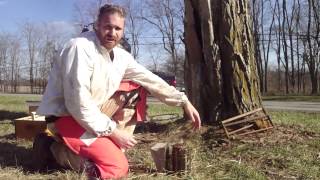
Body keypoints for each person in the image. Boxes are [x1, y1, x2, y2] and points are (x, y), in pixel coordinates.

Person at [36, 3, 201, 179]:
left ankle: (108, 148)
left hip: (93, 114)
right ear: (97, 25)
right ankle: (51, 150)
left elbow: (149, 78)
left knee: (134, 90)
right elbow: (77, 104)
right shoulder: (80, 48)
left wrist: (183, 100)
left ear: (122, 31)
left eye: (117, 28)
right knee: (116, 167)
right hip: (68, 117)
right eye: (107, 26)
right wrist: (113, 132)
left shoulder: (121, 56)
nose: (112, 33)